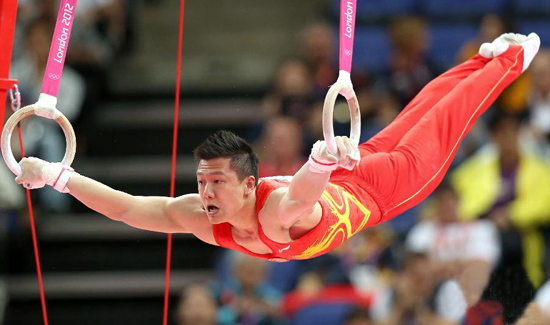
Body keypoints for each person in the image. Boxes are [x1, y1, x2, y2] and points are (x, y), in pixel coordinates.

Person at [12, 33, 540, 263]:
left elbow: (303, 197)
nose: (205, 192)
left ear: (248, 184)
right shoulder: (203, 216)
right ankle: (484, 58)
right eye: (202, 182)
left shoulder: (271, 210)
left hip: (369, 187)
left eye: (216, 183)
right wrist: (60, 176)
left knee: (443, 119)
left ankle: (512, 60)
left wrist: (319, 160)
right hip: (370, 192)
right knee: (420, 113)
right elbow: (128, 208)